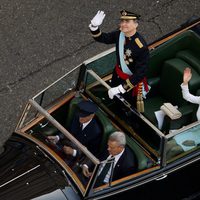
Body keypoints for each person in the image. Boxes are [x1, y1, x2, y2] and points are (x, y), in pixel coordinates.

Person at [89, 10, 150, 110]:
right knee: (116, 101)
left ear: (136, 24)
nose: (123, 24)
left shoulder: (140, 47)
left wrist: (121, 88)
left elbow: (140, 73)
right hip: (117, 74)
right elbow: (104, 38)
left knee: (127, 105)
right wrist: (94, 27)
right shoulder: (120, 34)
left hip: (130, 84)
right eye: (122, 21)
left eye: (127, 22)